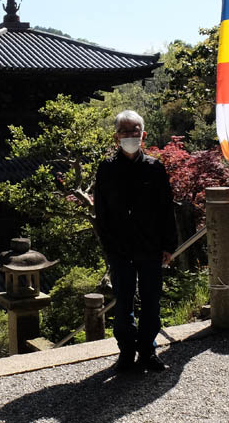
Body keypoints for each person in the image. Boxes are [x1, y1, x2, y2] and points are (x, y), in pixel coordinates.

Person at [94, 109, 177, 372]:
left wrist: (169, 245)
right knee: (123, 301)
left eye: (135, 131)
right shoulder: (107, 169)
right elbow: (102, 212)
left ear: (143, 134)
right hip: (120, 248)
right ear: (116, 136)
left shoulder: (154, 167)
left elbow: (166, 208)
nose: (130, 135)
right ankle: (126, 352)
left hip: (151, 245)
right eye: (125, 131)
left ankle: (148, 352)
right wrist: (108, 246)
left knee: (152, 300)